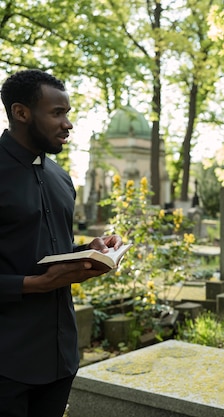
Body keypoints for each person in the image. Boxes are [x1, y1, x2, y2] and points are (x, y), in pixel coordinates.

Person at [0, 69, 122, 417]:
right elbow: (35, 275)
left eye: (67, 113)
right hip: (6, 364)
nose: (68, 123)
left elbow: (46, 253)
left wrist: (90, 251)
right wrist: (33, 286)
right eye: (57, 113)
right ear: (21, 113)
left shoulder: (60, 177)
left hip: (60, 359)